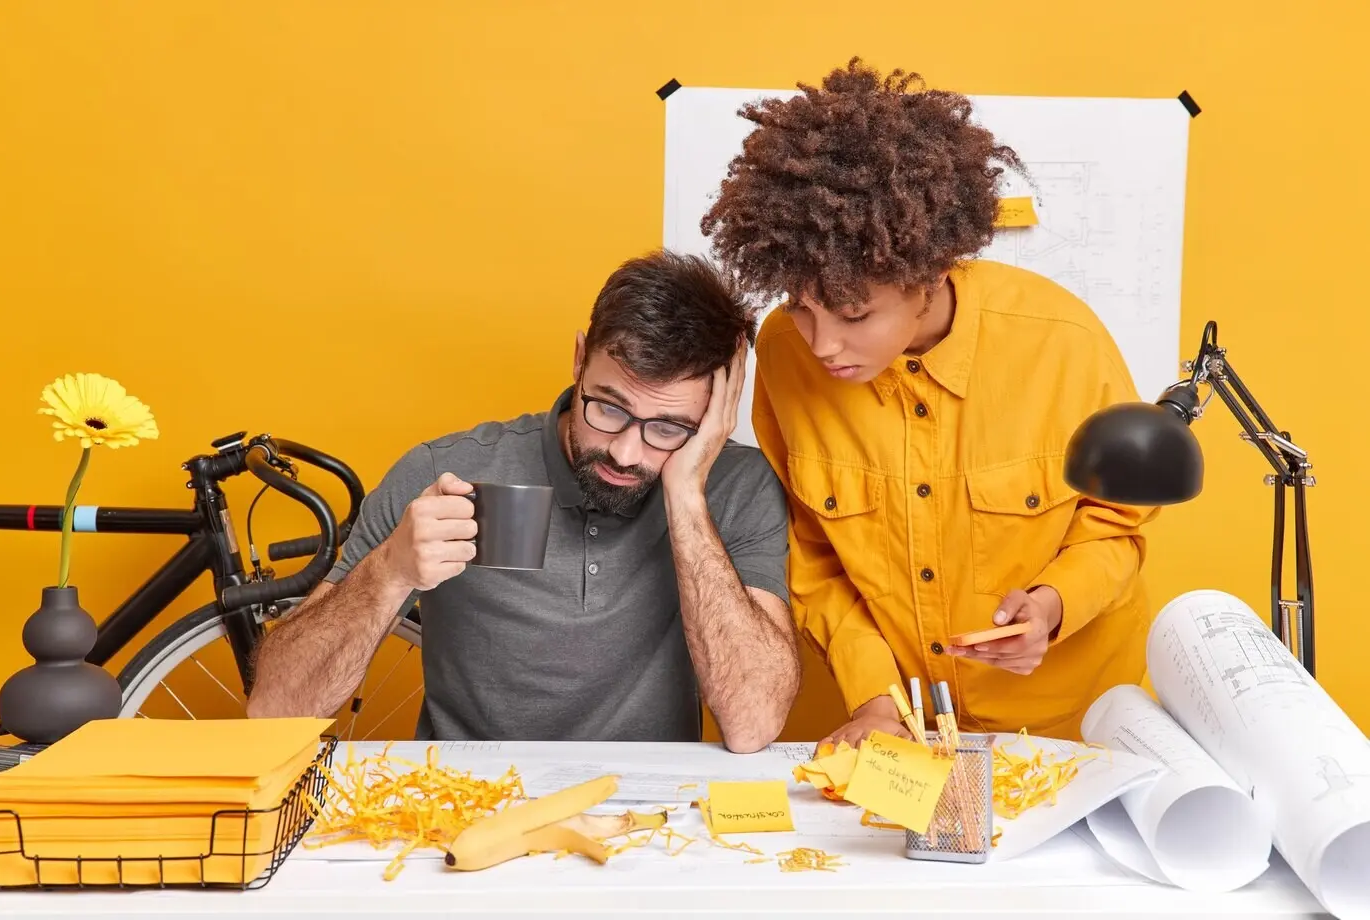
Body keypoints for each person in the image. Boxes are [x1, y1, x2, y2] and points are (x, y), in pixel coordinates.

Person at [699, 58, 1160, 745]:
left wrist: (1054, 607)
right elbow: (813, 556)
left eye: (855, 315)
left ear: (931, 274)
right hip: (904, 730)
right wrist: (876, 698)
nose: (822, 344)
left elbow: (1118, 524)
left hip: (1071, 729)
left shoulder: (1063, 343)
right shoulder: (786, 356)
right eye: (800, 307)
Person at [246, 250, 802, 753]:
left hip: (649, 816)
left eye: (669, 426)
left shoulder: (736, 486)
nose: (627, 452)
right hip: (466, 802)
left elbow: (754, 723)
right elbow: (274, 711)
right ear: (580, 359)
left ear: (715, 413)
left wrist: (685, 494)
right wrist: (387, 571)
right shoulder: (448, 471)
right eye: (608, 408)